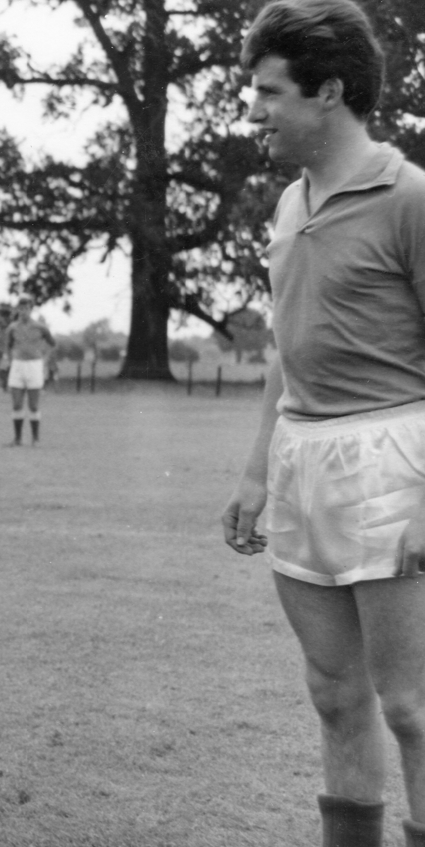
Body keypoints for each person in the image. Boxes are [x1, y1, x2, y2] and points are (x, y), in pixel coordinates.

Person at [223, 3, 425, 845]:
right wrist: (255, 470)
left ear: (329, 90)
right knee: (334, 696)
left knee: (410, 705)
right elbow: (284, 347)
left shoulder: (408, 196)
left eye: (269, 91)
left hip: (392, 456)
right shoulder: (285, 204)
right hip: (302, 457)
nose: (255, 109)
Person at [5, 297, 55, 446]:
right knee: (17, 404)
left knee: (33, 405)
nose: (23, 311)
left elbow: (52, 344)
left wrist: (45, 359)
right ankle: (17, 439)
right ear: (17, 310)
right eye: (20, 308)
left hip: (34, 365)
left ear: (31, 309)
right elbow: (8, 346)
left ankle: (35, 439)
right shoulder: (12, 327)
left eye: (26, 308)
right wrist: (10, 360)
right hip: (18, 366)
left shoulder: (40, 327)